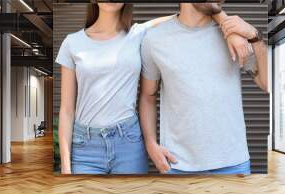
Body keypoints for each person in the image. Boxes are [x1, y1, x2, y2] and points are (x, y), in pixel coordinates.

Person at [56, 3, 251, 174]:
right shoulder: (72, 43)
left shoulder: (138, 34)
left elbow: (194, 10)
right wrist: (66, 166)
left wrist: (229, 26)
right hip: (86, 145)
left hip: (129, 142)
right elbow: (66, 110)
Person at [139, 2, 268, 175]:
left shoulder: (235, 35)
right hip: (178, 164)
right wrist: (151, 144)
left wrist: (255, 37)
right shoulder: (154, 39)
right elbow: (148, 95)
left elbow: (266, 83)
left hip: (233, 163)